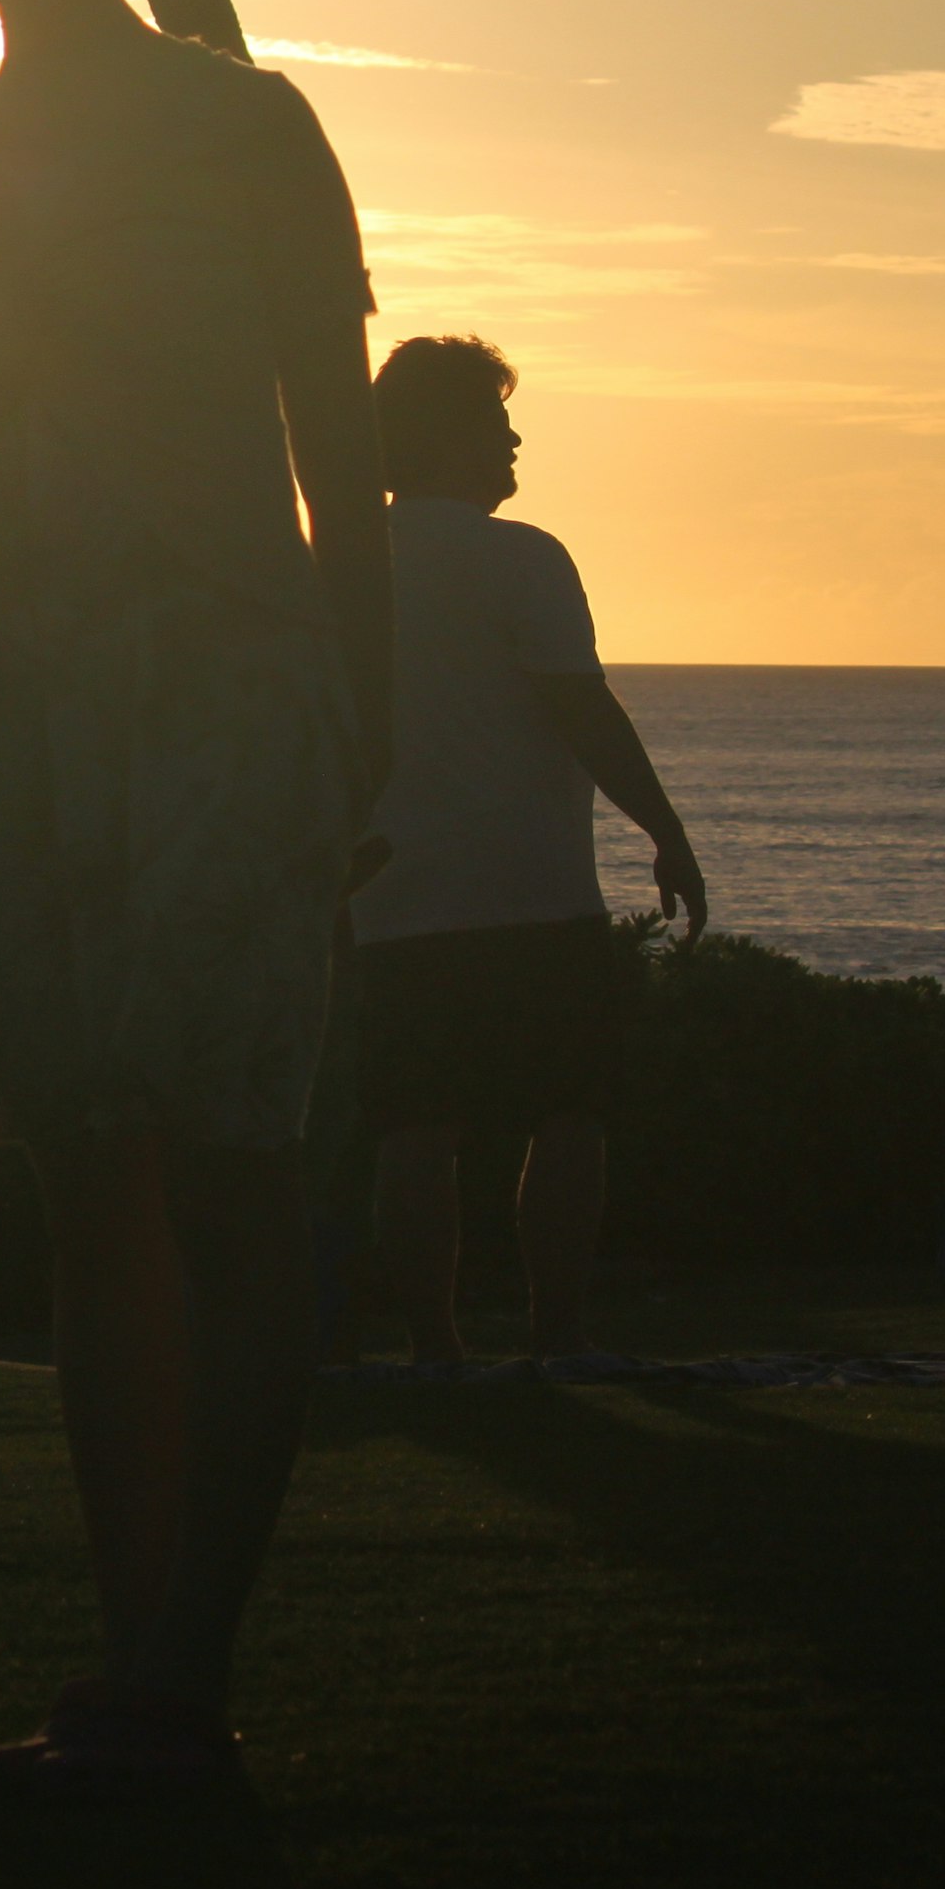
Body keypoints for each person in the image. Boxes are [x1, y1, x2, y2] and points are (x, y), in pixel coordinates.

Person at [0, 0, 391, 1803]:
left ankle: (181, 1663)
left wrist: (361, 714)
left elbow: (339, 468)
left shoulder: (251, 130)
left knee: (238, 1177)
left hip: (223, 700)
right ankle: (144, 1664)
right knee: (94, 1176)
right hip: (22, 718)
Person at [352, 335, 703, 1364]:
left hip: (393, 894)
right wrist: (666, 831)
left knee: (416, 1125)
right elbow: (580, 706)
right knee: (570, 1110)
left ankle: (434, 1346)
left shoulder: (343, 567)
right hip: (534, 892)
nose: (513, 443)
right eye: (495, 422)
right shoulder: (523, 558)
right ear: (450, 434)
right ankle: (557, 1337)